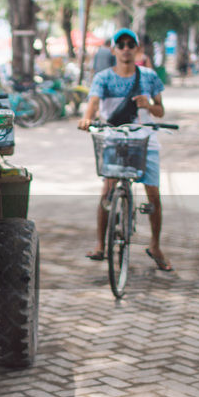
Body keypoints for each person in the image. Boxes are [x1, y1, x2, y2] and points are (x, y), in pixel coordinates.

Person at [78, 27, 172, 272]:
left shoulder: (149, 77)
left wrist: (149, 105)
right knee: (107, 190)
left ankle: (155, 244)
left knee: (153, 193)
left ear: (137, 49)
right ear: (114, 49)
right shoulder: (103, 78)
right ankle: (100, 244)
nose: (126, 49)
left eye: (131, 44)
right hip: (115, 138)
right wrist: (87, 119)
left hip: (145, 140)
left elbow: (161, 110)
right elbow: (94, 103)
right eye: (121, 45)